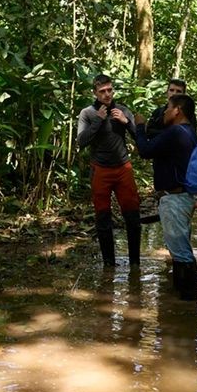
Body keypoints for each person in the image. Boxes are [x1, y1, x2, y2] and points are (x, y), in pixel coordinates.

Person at [134, 93, 197, 300]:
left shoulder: (175, 133)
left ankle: (187, 308)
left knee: (182, 254)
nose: (163, 112)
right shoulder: (188, 132)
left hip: (175, 200)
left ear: (177, 111)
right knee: (180, 251)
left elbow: (145, 150)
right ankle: (182, 305)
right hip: (181, 198)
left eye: (167, 108)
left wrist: (138, 126)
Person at [76, 74, 142, 268]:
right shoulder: (87, 113)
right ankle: (109, 265)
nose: (107, 94)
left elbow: (140, 138)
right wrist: (98, 121)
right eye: (102, 91)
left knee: (132, 216)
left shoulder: (122, 110)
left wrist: (126, 122)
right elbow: (81, 141)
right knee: (103, 218)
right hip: (100, 170)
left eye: (109, 90)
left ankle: (135, 264)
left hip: (123, 168)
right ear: (95, 93)